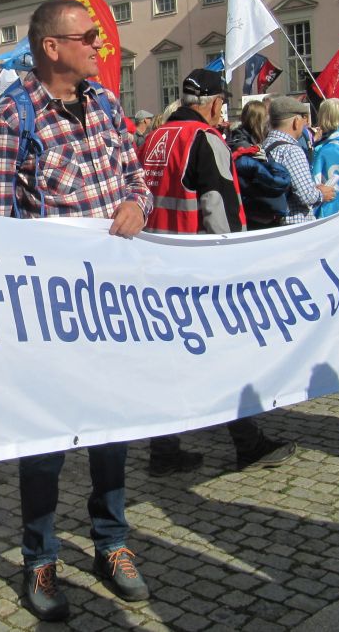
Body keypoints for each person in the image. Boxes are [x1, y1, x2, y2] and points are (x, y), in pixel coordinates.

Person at [0, 0, 151, 622]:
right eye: (89, 38)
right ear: (52, 46)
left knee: (112, 431)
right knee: (46, 441)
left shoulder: (105, 104)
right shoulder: (8, 118)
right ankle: (40, 556)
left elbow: (137, 179)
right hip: (51, 312)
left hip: (112, 303)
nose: (99, 46)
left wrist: (138, 206)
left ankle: (112, 541)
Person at [140, 70, 297, 478]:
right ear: (213, 103)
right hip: (197, 261)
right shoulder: (205, 139)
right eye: (222, 104)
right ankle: (248, 444)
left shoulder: (155, 136)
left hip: (156, 258)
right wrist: (233, 261)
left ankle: (164, 448)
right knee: (221, 355)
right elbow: (219, 205)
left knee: (171, 357)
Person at [262, 97, 335, 225]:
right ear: (296, 121)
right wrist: (322, 194)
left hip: (273, 222)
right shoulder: (291, 151)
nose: (305, 124)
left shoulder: (265, 145)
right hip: (295, 224)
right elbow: (306, 196)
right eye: (303, 119)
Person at [226, 101, 291, 230]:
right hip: (257, 214)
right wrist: (272, 166)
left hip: (256, 210)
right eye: (267, 117)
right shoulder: (244, 146)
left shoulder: (245, 141)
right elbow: (272, 181)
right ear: (259, 121)